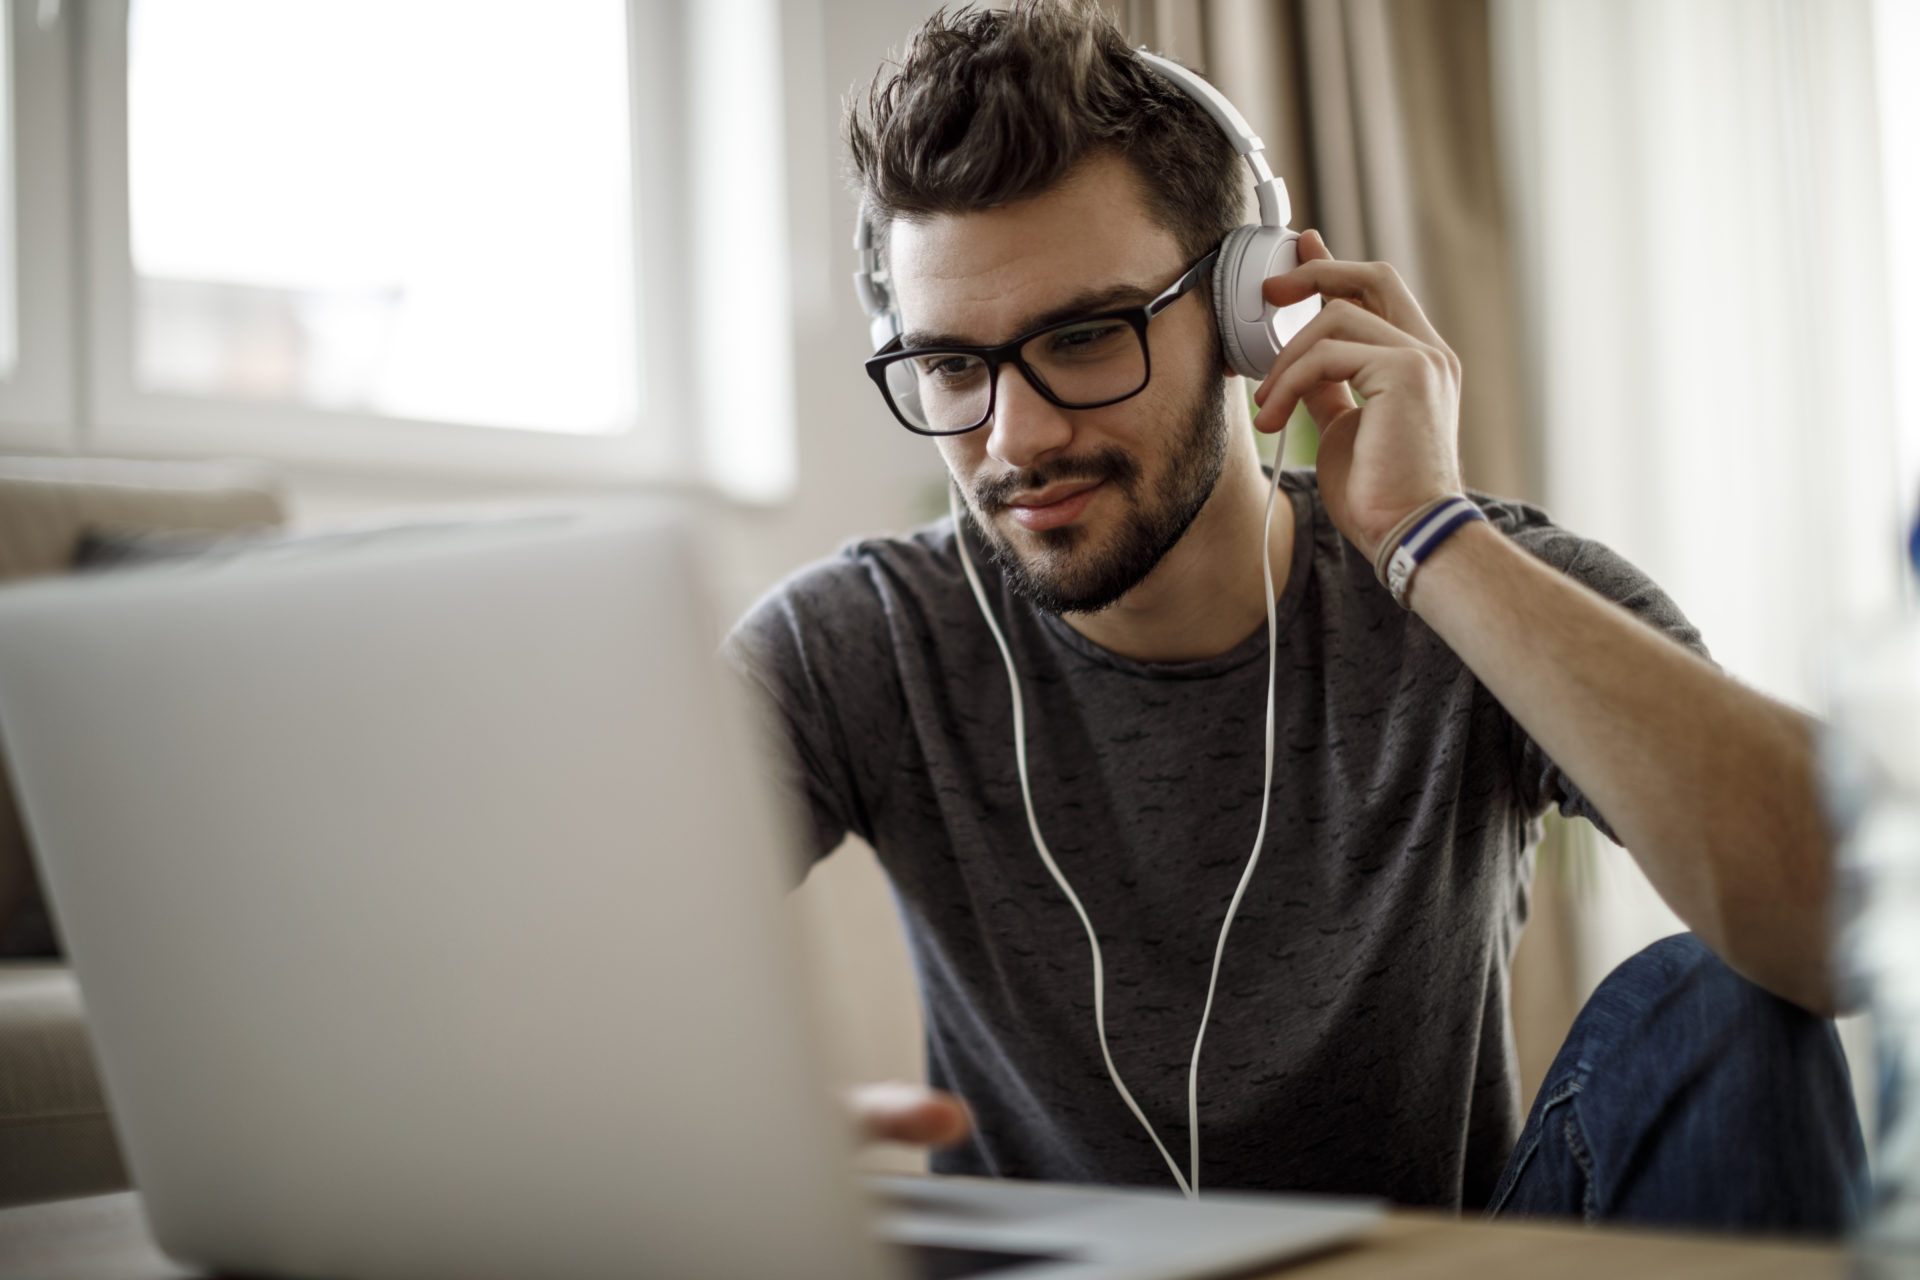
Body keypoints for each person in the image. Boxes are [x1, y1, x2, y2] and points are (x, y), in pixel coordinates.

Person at [725, 0, 1863, 1232]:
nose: (1018, 436)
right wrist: (704, 1122)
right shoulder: (863, 642)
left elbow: (1846, 925)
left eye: (1086, 335)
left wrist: (1429, 539)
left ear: (1250, 311)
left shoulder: (1478, 582)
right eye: (952, 364)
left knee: (1718, 1000)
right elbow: (551, 963)